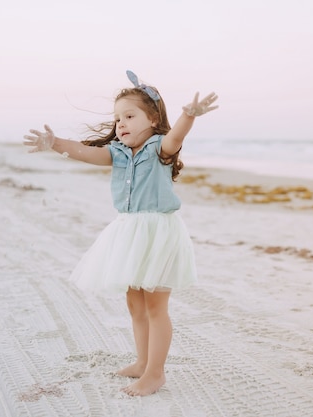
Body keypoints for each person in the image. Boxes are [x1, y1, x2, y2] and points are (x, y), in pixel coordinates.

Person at [23, 70, 218, 396]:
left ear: (153, 119)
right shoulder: (117, 152)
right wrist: (54, 143)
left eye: (129, 116)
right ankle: (142, 363)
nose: (121, 124)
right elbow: (87, 152)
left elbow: (176, 138)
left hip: (158, 233)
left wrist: (188, 115)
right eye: (117, 119)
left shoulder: (159, 148)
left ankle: (155, 373)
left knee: (156, 308)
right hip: (129, 232)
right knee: (135, 306)